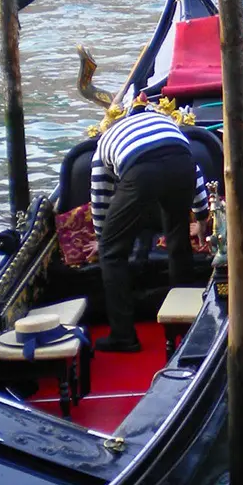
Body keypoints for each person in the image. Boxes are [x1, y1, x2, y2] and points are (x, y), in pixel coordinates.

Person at [90, 108, 209, 352]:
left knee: (111, 254)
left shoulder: (103, 145)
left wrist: (103, 239)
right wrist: (201, 219)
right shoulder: (163, 122)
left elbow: (100, 197)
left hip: (141, 170)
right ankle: (186, 321)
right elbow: (195, 171)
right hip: (181, 161)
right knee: (178, 240)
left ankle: (123, 336)